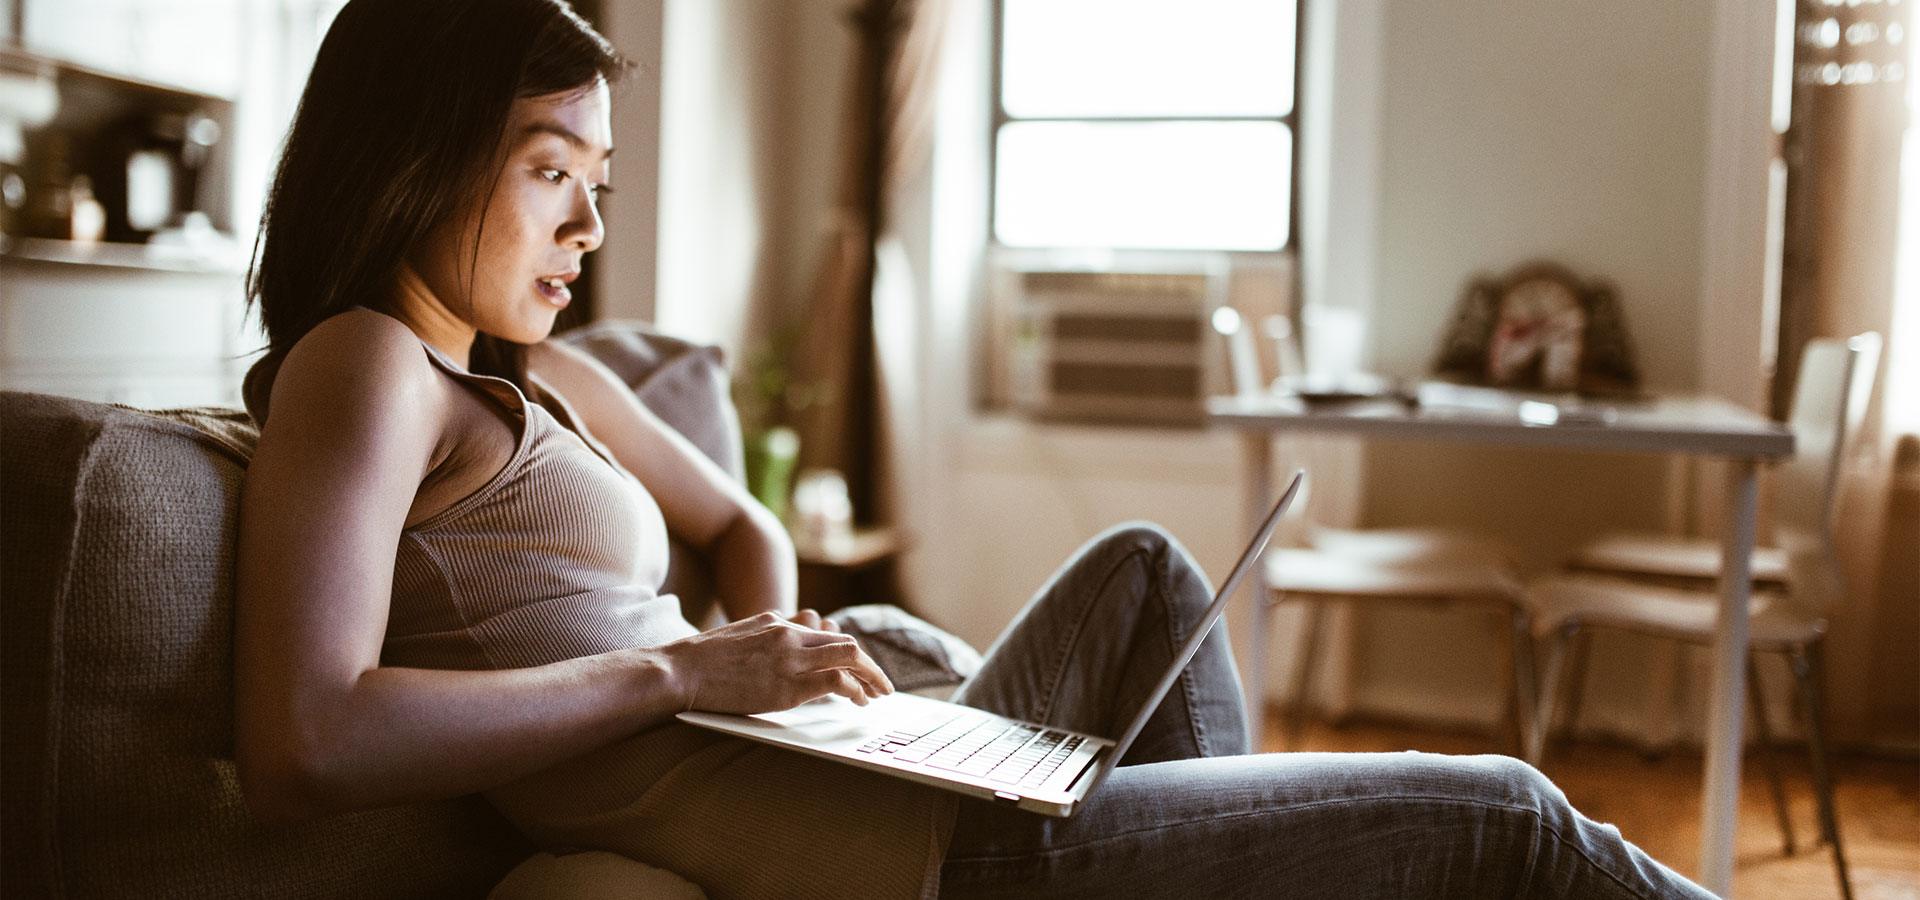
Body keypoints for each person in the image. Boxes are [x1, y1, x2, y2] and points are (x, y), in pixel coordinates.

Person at [233, 1, 1719, 897]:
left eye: (600, 179)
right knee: (1508, 820)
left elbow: (744, 522)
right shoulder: (367, 365)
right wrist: (682, 672)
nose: (589, 226)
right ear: (414, 155)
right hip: (893, 865)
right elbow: (308, 738)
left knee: (1146, 568)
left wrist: (762, 636)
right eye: (549, 171)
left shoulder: (536, 374)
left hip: (857, 780)